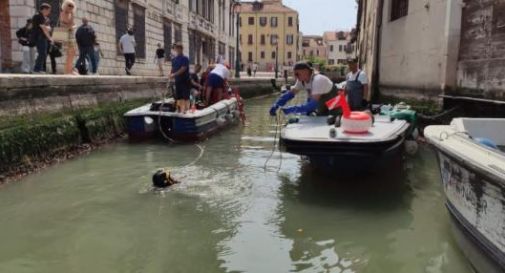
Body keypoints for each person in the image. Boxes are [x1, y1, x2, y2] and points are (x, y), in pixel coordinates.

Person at [269, 61, 335, 116]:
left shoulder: (318, 80)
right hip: (321, 106)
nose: (295, 77)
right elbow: (290, 94)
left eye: (297, 74)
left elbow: (312, 105)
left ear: (306, 71)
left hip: (335, 107)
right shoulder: (301, 80)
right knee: (309, 111)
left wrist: (292, 109)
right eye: (294, 75)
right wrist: (277, 104)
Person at [170, 42, 191, 113]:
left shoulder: (185, 58)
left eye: (179, 48)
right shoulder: (174, 59)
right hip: (178, 81)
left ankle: (186, 111)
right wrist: (170, 74)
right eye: (176, 48)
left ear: (181, 49)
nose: (177, 49)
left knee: (186, 97)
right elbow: (173, 68)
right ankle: (180, 111)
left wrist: (174, 74)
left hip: (185, 81)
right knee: (179, 97)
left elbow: (183, 68)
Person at [32, 3, 52, 73]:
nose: (49, 12)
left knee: (43, 53)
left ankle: (39, 69)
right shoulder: (38, 16)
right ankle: (36, 69)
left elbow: (48, 28)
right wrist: (50, 38)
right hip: (39, 37)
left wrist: (47, 28)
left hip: (43, 37)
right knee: (42, 53)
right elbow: (43, 28)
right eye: (48, 10)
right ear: (44, 9)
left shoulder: (44, 17)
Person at [59, 0, 76, 74]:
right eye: (69, 5)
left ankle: (69, 69)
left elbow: (72, 24)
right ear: (65, 5)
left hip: (70, 33)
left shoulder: (70, 14)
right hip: (65, 33)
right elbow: (65, 24)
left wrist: (72, 14)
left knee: (72, 52)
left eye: (72, 6)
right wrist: (70, 26)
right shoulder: (62, 13)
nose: (71, 7)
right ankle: (68, 71)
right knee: (70, 52)